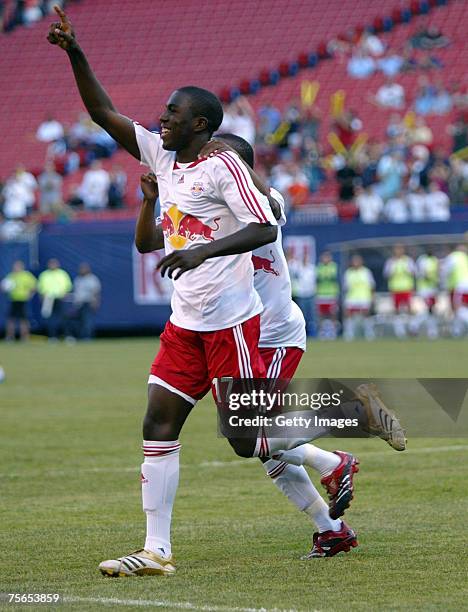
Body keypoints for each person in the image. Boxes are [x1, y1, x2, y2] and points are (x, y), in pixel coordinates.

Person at [48, 6, 405, 574]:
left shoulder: (231, 176)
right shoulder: (166, 160)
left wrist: (204, 244)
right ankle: (161, 550)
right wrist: (73, 50)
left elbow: (266, 218)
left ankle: (346, 423)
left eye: (173, 113)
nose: (161, 119)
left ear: (203, 130)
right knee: (164, 425)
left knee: (250, 441)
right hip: (188, 321)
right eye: (163, 111)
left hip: (252, 324)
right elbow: (101, 112)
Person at [384, 245, 416, 338]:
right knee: (396, 310)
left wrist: (408, 271)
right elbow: (386, 274)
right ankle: (399, 330)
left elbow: (414, 272)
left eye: (400, 249)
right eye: (396, 249)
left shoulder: (408, 261)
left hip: (406, 288)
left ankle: (412, 328)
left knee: (409, 309)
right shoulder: (391, 262)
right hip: (395, 289)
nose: (398, 251)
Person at [37, 258, 72, 340]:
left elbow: (68, 286)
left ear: (58, 264)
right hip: (48, 299)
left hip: (60, 298)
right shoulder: (44, 275)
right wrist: (42, 298)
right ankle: (52, 336)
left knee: (64, 318)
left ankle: (67, 336)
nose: (52, 265)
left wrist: (65, 293)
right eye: (51, 264)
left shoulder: (63, 274)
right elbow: (41, 288)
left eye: (54, 263)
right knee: (50, 319)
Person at [1, 260, 36, 341]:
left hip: (23, 300)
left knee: (23, 319)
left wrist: (30, 295)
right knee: (11, 319)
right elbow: (4, 287)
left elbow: (34, 287)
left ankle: (25, 337)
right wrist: (4, 288)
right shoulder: (11, 276)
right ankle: (10, 336)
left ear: (22, 267)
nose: (16, 268)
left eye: (18, 266)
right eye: (15, 266)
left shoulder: (26, 275)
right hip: (13, 300)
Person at [342, 255, 375, 341]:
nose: (356, 263)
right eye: (354, 261)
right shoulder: (348, 273)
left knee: (366, 315)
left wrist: (372, 297)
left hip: (364, 297)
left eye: (358, 261)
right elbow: (345, 287)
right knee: (348, 315)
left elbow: (371, 286)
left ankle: (369, 333)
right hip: (352, 297)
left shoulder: (366, 272)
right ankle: (349, 334)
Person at [66, 262, 101, 340]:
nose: (82, 270)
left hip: (88, 302)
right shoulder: (78, 279)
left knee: (87, 320)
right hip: (79, 303)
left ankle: (87, 337)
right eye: (81, 268)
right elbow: (77, 293)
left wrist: (96, 302)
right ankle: (79, 336)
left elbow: (96, 292)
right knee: (78, 321)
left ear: (88, 269)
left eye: (84, 268)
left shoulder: (92, 279)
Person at [288, 249, 316, 337]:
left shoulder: (312, 268)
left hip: (310, 294)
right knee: (302, 315)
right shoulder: (297, 268)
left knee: (310, 315)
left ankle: (312, 333)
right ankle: (302, 333)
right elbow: (290, 266)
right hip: (301, 294)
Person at [412, 249, 439, 339]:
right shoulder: (422, 260)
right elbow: (422, 274)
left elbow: (436, 272)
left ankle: (431, 331)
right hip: (425, 289)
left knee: (431, 310)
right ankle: (415, 325)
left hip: (432, 289)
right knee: (429, 310)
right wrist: (431, 279)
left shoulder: (434, 260)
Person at [315, 251, 339, 339]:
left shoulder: (333, 266)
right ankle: (322, 331)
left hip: (331, 294)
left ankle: (333, 331)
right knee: (321, 314)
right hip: (321, 294)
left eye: (327, 257)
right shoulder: (319, 267)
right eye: (324, 257)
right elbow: (318, 279)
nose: (325, 259)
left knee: (332, 313)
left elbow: (329, 277)